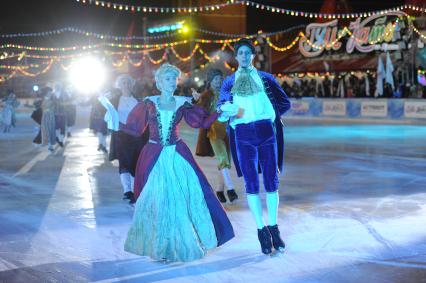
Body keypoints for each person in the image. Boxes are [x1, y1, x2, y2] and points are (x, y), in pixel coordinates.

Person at [119, 63, 234, 262]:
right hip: (154, 156)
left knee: (181, 201)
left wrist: (220, 112)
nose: (172, 82)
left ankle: (178, 245)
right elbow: (135, 128)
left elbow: (202, 123)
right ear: (159, 82)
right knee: (158, 201)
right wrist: (114, 121)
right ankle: (161, 247)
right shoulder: (148, 102)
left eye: (174, 79)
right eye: (168, 79)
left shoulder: (183, 103)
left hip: (178, 156)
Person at [218, 38, 291, 255]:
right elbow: (221, 108)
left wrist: (272, 117)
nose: (243, 56)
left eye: (247, 53)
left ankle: (274, 228)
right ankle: (261, 230)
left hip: (267, 133)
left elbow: (285, 102)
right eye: (239, 53)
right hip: (243, 135)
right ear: (235, 56)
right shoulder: (229, 82)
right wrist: (227, 110)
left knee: (271, 181)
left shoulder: (265, 78)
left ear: (252, 55)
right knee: (251, 182)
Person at [100, 75, 149, 204]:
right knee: (124, 162)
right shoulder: (114, 101)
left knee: (136, 162)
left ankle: (134, 190)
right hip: (121, 135)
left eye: (128, 82)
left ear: (131, 84)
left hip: (137, 136)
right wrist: (106, 103)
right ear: (119, 85)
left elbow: (145, 119)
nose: (125, 84)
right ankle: (128, 191)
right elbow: (105, 115)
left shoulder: (139, 101)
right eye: (122, 82)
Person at [194, 68, 238, 204]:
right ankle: (230, 189)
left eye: (220, 79)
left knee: (225, 162)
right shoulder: (206, 95)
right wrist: (196, 100)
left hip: (227, 131)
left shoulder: (227, 94)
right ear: (210, 81)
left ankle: (219, 190)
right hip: (213, 131)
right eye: (216, 79)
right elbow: (199, 112)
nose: (218, 82)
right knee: (222, 158)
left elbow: (237, 109)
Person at [40, 87, 56, 152]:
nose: (50, 93)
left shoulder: (53, 100)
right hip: (45, 117)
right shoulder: (42, 100)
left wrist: (50, 109)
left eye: (51, 92)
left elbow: (54, 108)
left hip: (51, 117)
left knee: (51, 130)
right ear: (46, 92)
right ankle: (49, 144)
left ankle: (50, 143)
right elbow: (41, 107)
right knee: (46, 130)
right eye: (49, 92)